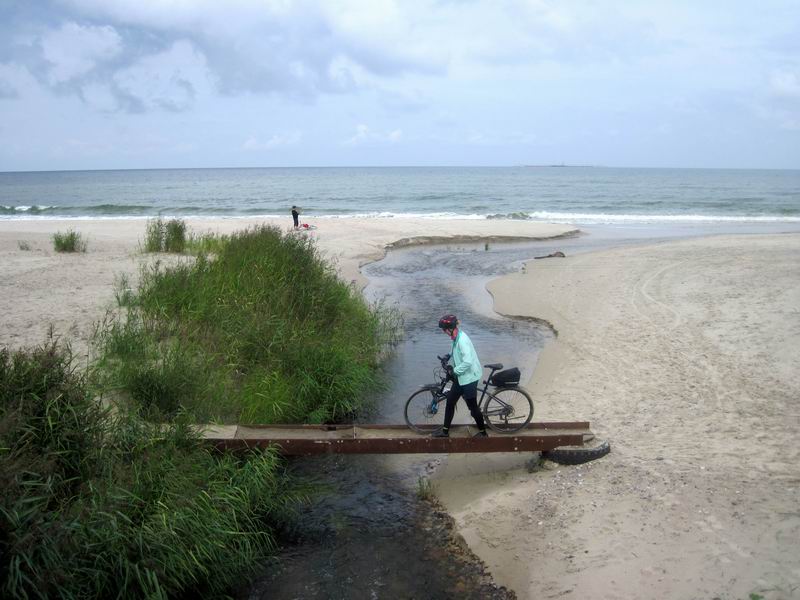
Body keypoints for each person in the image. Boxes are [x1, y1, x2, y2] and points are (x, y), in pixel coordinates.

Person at [433, 314, 488, 438]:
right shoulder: (456, 336)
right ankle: (445, 431)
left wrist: (455, 371)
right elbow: (455, 349)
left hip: (470, 377)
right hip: (462, 377)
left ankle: (483, 433)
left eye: (444, 329)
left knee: (473, 408)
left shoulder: (462, 340)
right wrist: (448, 355)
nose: (443, 332)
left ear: (450, 328)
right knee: (450, 402)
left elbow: (468, 362)